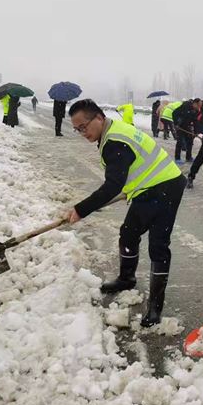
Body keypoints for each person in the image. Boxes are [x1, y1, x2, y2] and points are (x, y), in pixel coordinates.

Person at [65, 99, 185, 327]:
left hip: (164, 186)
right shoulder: (112, 131)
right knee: (129, 232)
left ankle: (155, 308)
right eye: (77, 129)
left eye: (84, 126)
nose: (82, 133)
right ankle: (127, 278)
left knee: (158, 246)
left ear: (99, 118)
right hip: (151, 185)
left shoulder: (114, 143)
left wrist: (81, 209)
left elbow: (112, 186)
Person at [172, 98, 202, 163]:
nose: (199, 107)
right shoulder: (185, 106)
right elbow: (174, 113)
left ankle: (188, 157)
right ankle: (177, 158)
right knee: (180, 142)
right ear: (195, 103)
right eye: (199, 105)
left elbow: (195, 121)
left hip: (187, 126)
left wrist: (196, 132)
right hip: (179, 126)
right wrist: (176, 123)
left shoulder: (196, 111)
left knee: (190, 141)